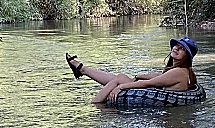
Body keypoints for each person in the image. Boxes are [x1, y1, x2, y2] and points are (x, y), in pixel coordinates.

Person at [65, 37, 199, 104]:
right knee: (121, 77)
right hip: (160, 94)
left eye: (181, 49)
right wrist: (139, 76)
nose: (176, 48)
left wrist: (122, 87)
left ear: (186, 57)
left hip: (159, 104)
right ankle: (82, 69)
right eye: (177, 45)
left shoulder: (179, 72)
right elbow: (159, 76)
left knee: (118, 80)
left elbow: (150, 84)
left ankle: (94, 105)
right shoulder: (181, 71)